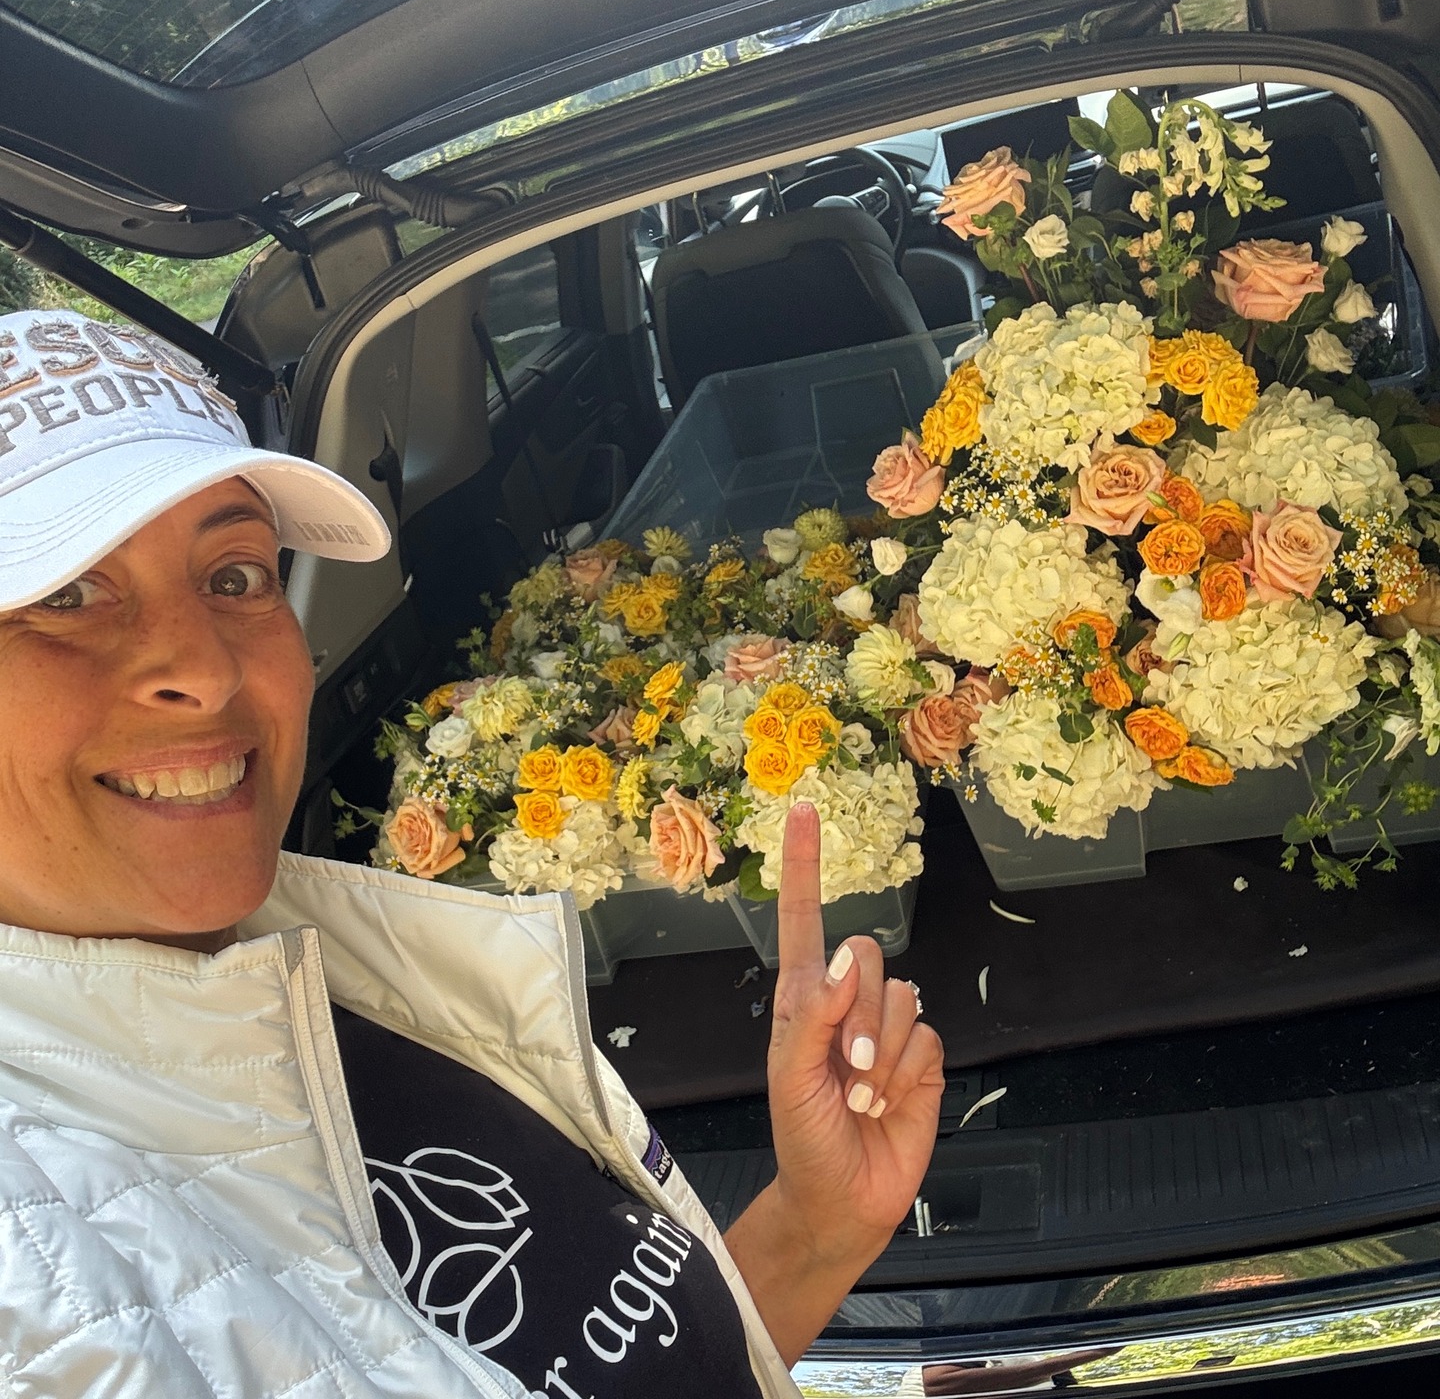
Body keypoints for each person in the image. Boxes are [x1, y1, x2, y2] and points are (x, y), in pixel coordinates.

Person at [0, 309, 944, 1397]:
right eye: (66, 595)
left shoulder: (333, 972)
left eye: (236, 575)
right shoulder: (40, 1281)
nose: (206, 671)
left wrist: (817, 1228)